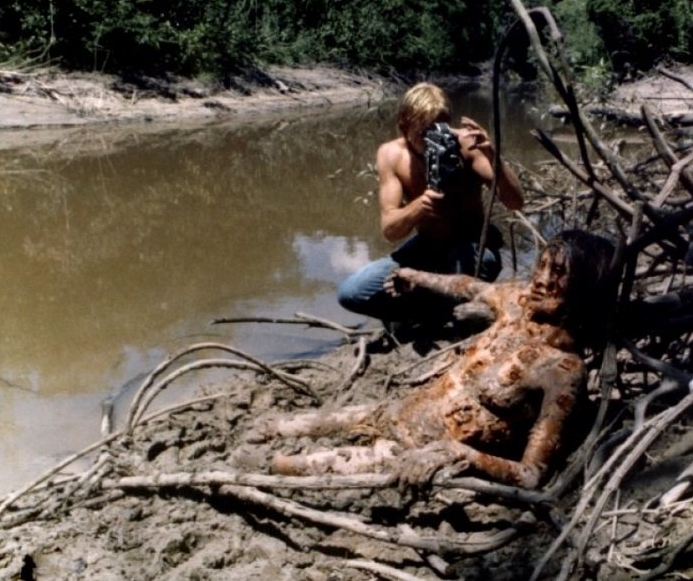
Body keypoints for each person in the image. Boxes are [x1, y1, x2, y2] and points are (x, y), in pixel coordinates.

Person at [247, 230, 616, 489]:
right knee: (276, 427)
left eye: (559, 273)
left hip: (410, 453)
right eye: (542, 266)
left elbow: (533, 475)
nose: (541, 280)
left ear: (585, 287)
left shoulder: (563, 370)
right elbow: (467, 286)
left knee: (283, 467)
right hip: (392, 411)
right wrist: (415, 277)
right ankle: (270, 437)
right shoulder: (517, 302)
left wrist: (461, 455)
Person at [336, 82, 525, 323]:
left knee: (467, 279)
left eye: (440, 129)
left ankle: (436, 310)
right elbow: (390, 230)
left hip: (471, 246)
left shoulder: (467, 146)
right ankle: (429, 311)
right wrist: (419, 206)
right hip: (426, 246)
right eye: (423, 132)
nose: (433, 140)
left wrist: (493, 156)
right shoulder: (391, 155)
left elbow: (516, 202)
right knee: (352, 292)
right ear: (404, 126)